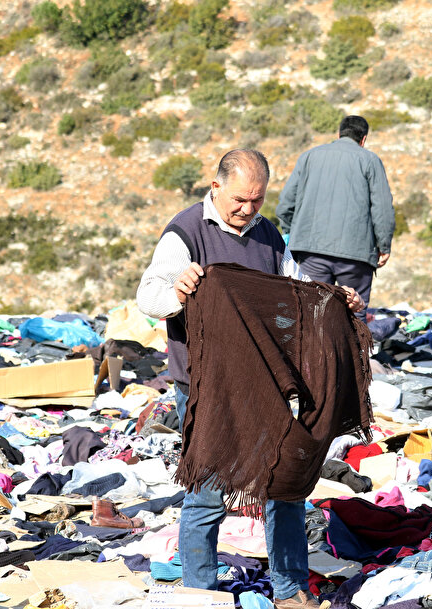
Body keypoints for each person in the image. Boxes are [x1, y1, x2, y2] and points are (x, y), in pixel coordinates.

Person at [137, 149, 362, 609]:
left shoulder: (268, 236)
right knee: (209, 490)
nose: (248, 209)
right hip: (203, 385)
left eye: (257, 201)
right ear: (215, 187)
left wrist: (337, 302)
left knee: (286, 484)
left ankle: (290, 590)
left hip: (264, 384)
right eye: (240, 199)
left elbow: (295, 294)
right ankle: (201, 594)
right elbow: (148, 295)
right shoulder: (185, 232)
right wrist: (180, 291)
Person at [276, 115, 395, 323]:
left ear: (338, 134)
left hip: (311, 252)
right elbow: (382, 209)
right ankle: (352, 355)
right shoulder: (370, 160)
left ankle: (311, 356)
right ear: (364, 139)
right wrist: (384, 246)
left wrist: (289, 232)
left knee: (311, 313)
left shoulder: (309, 156)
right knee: (354, 316)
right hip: (356, 256)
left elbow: (286, 203)